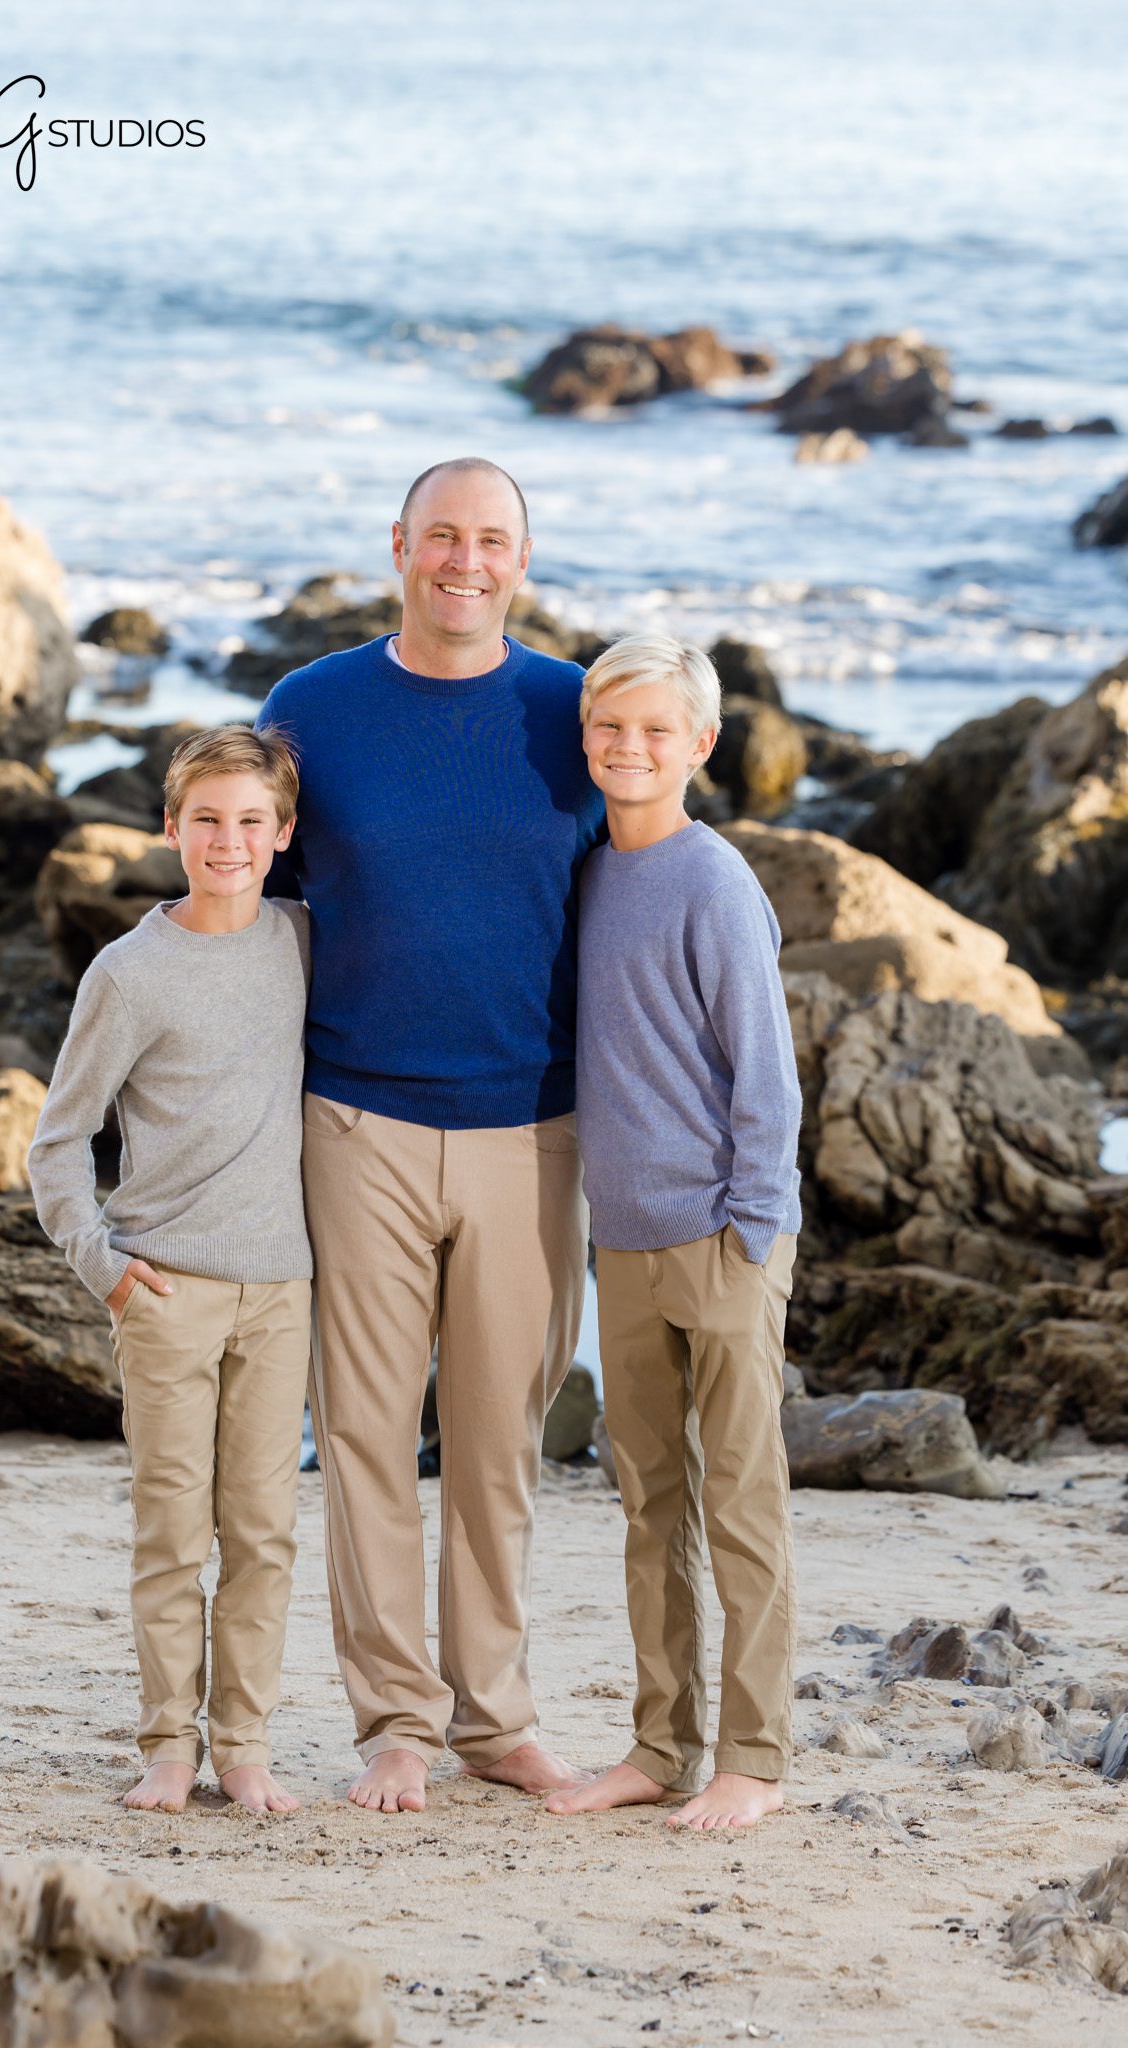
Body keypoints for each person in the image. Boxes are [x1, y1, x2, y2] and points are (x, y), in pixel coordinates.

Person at [257, 457, 606, 1813]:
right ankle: (395, 1723)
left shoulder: (573, 713)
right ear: (398, 544)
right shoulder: (312, 709)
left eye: (493, 539)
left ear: (521, 556)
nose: (466, 559)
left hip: (535, 1130)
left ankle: (497, 1720)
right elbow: (255, 899)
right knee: (361, 1437)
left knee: (499, 1441)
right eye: (442, 535)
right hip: (355, 1121)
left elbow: (634, 901)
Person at [28, 726, 313, 1817]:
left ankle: (243, 1746)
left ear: (283, 835)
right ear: (170, 827)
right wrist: (100, 1264)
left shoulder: (302, 940)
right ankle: (165, 1746)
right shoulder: (130, 972)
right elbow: (58, 1140)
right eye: (208, 820)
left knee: (264, 1531)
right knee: (171, 1529)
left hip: (281, 1291)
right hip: (164, 1293)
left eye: (252, 822)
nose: (229, 841)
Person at [547, 633, 802, 1832]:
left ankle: (752, 1754)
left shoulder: (714, 883)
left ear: (700, 744)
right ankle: (662, 1741)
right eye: (610, 728)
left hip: (723, 1238)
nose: (629, 748)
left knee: (742, 1501)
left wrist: (754, 1231)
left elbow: (766, 1076)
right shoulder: (592, 873)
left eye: (656, 730)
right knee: (651, 1501)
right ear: (586, 739)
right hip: (624, 1242)